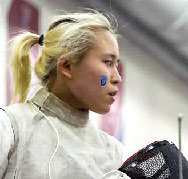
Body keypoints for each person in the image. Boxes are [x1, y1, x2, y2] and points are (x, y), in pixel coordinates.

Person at [0, 10, 129, 179]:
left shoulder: (114, 155)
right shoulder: (12, 126)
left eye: (116, 65)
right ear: (67, 66)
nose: (117, 78)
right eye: (108, 63)